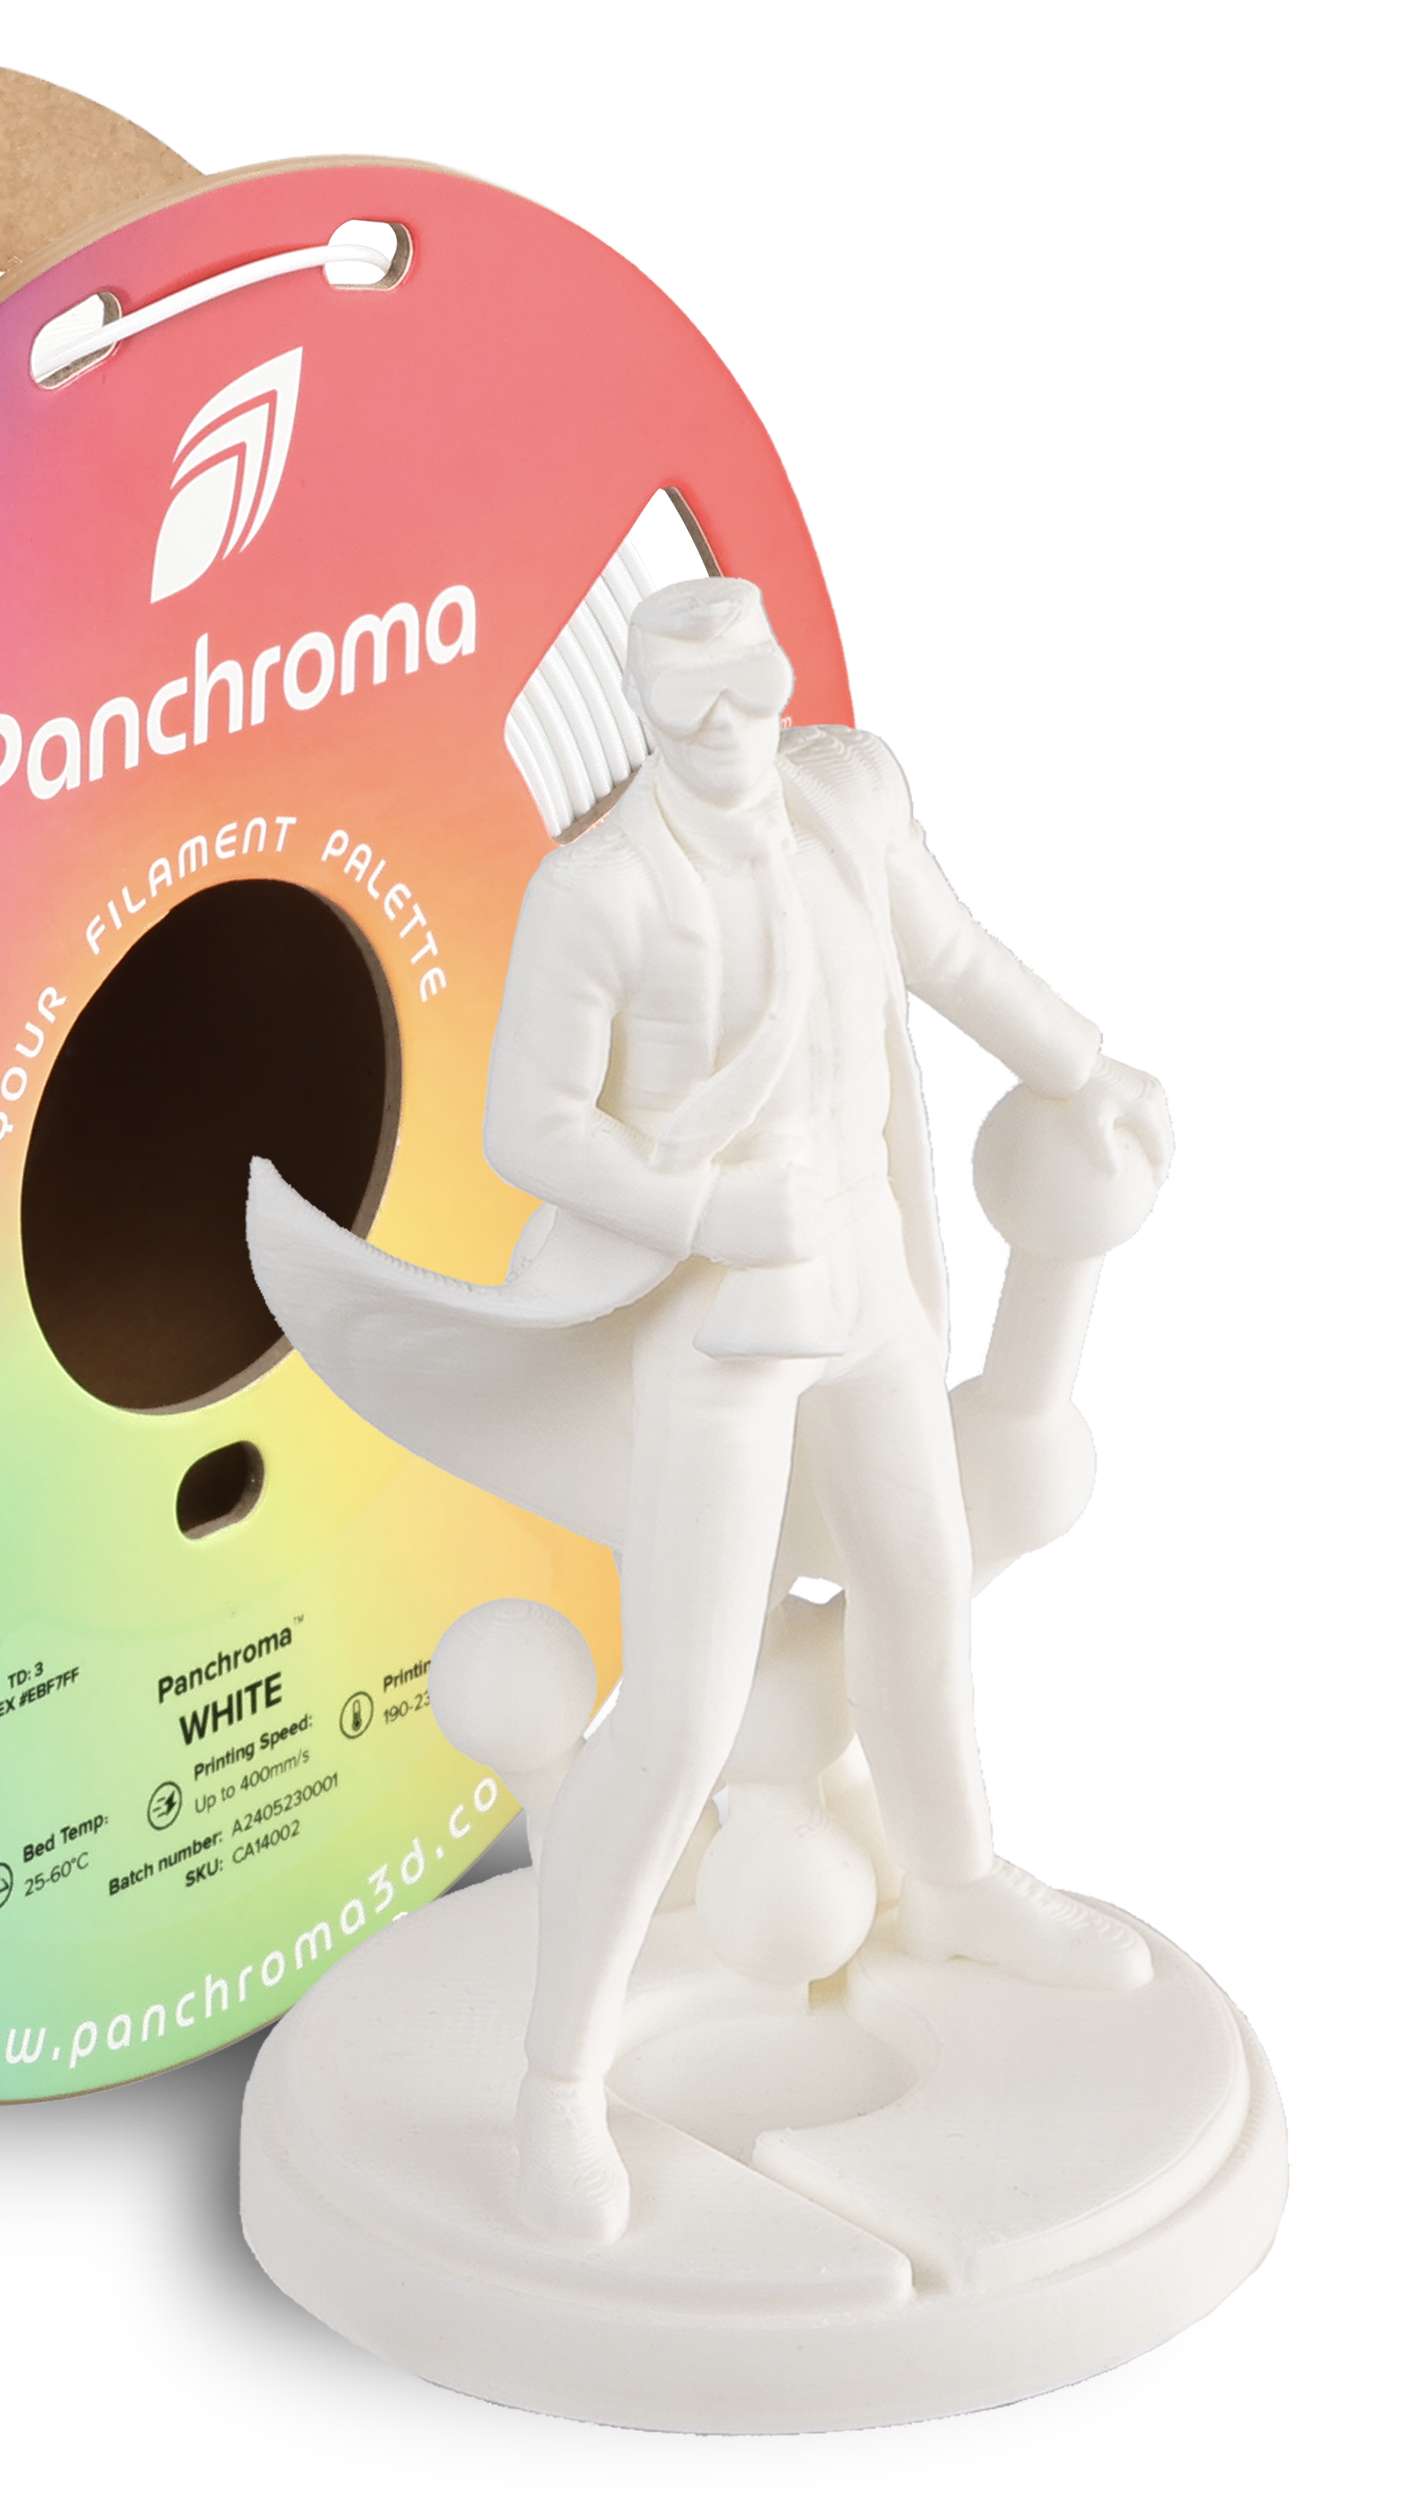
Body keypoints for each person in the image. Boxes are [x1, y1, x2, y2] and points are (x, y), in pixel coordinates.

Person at [246, 576, 1170, 2247]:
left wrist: (1078, 1060)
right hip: (719, 1326)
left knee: (920, 1595)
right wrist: (701, 1211)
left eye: (748, 688)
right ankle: (559, 2083)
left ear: (781, 678)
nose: (730, 726)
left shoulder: (847, 797)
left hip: (867, 1288)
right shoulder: (597, 894)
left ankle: (956, 1883)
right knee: (678, 1719)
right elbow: (532, 1126)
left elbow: (949, 952)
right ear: (645, 715)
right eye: (691, 705)